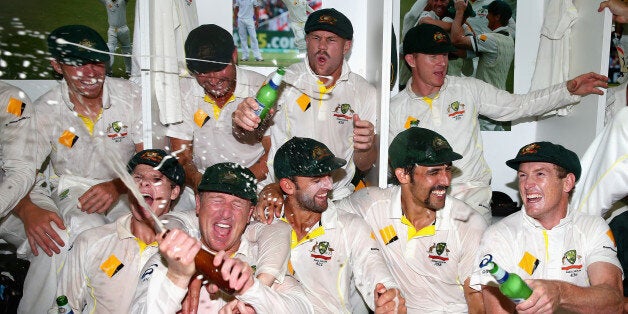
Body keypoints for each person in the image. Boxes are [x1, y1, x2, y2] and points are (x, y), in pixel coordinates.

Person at [391, 23, 608, 223]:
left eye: (445, 55)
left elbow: (519, 105)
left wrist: (566, 91)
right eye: (432, 56)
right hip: (423, 202)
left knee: (475, 260)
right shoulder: (395, 109)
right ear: (411, 60)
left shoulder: (467, 89)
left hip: (471, 198)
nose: (442, 63)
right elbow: (394, 169)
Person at [13, 24, 142, 314]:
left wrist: (116, 186)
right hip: (77, 189)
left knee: (130, 243)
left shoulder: (131, 97)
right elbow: (18, 171)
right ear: (57, 66)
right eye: (76, 64)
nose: (91, 73)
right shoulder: (45, 108)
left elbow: (148, 158)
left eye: (96, 61)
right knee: (76, 231)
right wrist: (27, 210)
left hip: (131, 187)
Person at [233, 8, 378, 201]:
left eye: (331, 40)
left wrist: (365, 148)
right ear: (307, 41)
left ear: (346, 46)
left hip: (336, 197)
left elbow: (365, 165)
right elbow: (253, 134)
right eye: (316, 38)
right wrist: (242, 121)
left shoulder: (364, 91)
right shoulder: (282, 82)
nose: (322, 47)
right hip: (287, 196)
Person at [131, 162, 312, 313]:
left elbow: (303, 308)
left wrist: (252, 292)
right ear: (199, 204)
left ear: (249, 213)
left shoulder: (262, 255)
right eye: (217, 200)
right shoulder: (170, 256)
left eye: (237, 204)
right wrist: (177, 279)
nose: (226, 213)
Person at [339, 127, 487, 312]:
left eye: (447, 169)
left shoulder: (468, 223)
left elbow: (476, 295)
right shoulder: (372, 204)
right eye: (434, 172)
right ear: (403, 175)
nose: (446, 181)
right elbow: (325, 214)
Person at [473, 141, 624, 313]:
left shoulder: (592, 228)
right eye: (522, 175)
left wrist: (560, 293)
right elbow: (496, 310)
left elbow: (613, 301)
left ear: (567, 183)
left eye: (540, 174)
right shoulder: (499, 235)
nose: (527, 184)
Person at [271, 136, 406, 313]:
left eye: (329, 175)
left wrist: (388, 296)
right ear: (288, 186)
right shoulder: (264, 224)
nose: (329, 185)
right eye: (317, 179)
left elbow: (374, 270)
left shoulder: (350, 226)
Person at [57, 149, 183, 313]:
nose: (143, 184)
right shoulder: (90, 241)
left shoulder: (186, 252)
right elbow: (63, 305)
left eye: (156, 179)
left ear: (174, 192)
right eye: (137, 178)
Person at [168, 24, 269, 193]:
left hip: (253, 185)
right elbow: (182, 156)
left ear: (234, 55)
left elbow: (273, 153)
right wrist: (202, 183)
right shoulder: (182, 91)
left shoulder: (261, 89)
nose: (213, 80)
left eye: (218, 69)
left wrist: (234, 184)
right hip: (199, 188)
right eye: (202, 72)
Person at [0, 82, 37, 255]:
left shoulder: (12, 101)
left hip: (11, 197)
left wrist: (24, 207)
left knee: (57, 241)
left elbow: (21, 171)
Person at [451, 0, 514, 91]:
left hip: (487, 96)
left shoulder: (490, 39)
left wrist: (459, 11)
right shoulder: (509, 39)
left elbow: (456, 40)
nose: (487, 16)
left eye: (489, 14)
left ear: (497, 17)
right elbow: (471, 53)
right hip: (500, 94)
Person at [98, 0, 132, 76]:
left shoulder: (122, 1)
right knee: (110, 49)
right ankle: (108, 71)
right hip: (112, 30)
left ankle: (129, 70)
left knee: (127, 49)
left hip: (123, 29)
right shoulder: (107, 1)